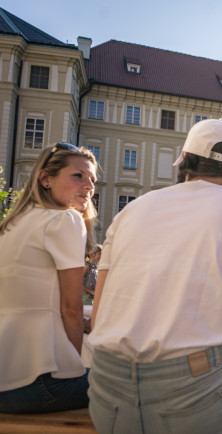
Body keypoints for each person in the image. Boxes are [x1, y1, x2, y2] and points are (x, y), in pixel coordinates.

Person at [87, 119, 222, 433]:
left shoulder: (130, 211)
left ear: (183, 161)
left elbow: (99, 319)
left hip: (107, 397)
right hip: (199, 401)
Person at [0, 142, 97, 413]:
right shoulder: (64, 220)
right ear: (46, 179)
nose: (89, 186)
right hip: (37, 381)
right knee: (136, 385)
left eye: (92, 179)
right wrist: (74, 365)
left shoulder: (13, 223)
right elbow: (71, 309)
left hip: (7, 379)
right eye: (78, 176)